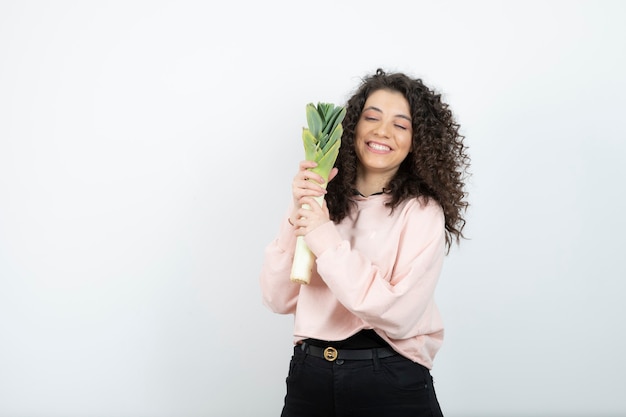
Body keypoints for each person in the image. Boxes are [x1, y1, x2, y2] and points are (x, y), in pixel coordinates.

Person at [259, 68, 470, 417]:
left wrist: (324, 236)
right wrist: (300, 206)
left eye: (400, 125)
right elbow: (277, 297)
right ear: (353, 126)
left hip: (389, 380)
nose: (382, 131)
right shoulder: (321, 201)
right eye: (372, 117)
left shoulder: (420, 212)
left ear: (418, 140)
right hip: (309, 379)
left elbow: (399, 315)